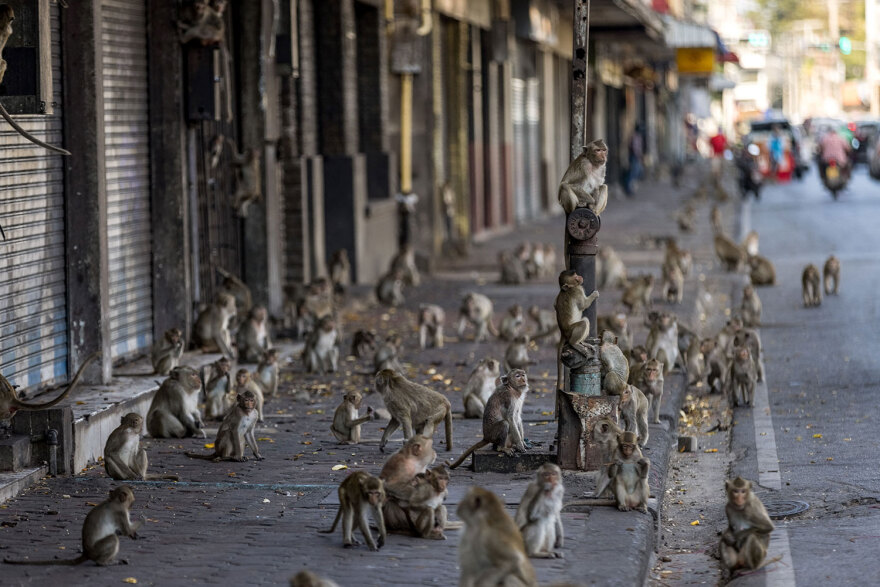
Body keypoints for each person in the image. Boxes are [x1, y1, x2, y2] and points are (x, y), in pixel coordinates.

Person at [625, 123, 644, 196]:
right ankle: (628, 189)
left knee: (636, 173)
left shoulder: (637, 136)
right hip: (634, 157)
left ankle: (631, 189)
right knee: (632, 173)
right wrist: (638, 156)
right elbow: (634, 148)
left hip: (636, 157)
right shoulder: (635, 136)